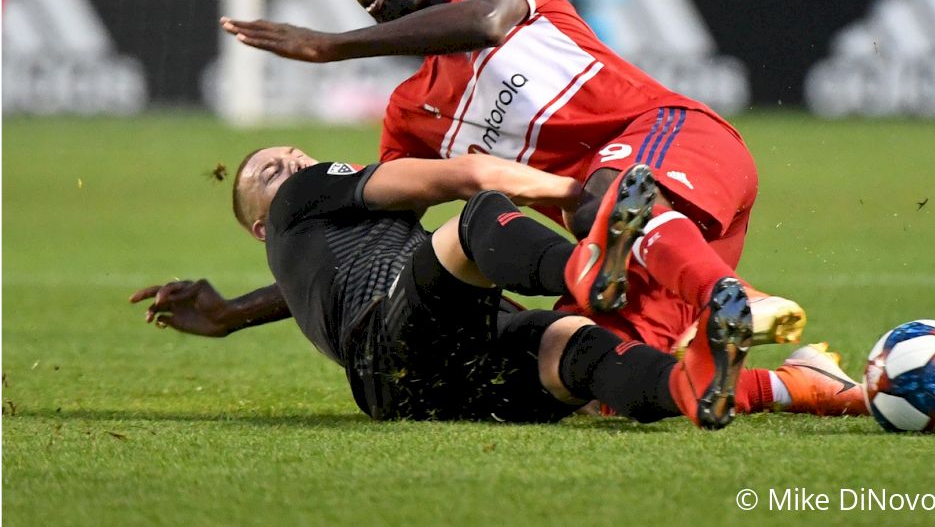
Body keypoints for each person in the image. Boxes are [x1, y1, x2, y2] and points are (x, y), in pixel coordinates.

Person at [218, 0, 865, 417]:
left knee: (601, 195)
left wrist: (330, 47)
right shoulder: (413, 113)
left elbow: (487, 21)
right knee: (597, 379)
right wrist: (234, 313)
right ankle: (804, 386)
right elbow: (380, 251)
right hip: (633, 242)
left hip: (675, 140)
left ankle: (729, 296)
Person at [132, 148, 754, 429]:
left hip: (417, 387)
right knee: (476, 215)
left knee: (566, 344)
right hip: (388, 337)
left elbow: (293, 294)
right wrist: (584, 198)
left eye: (296, 156)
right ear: (261, 225)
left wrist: (226, 316)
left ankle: (686, 387)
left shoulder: (309, 257)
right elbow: (470, 175)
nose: (294, 167)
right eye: (273, 171)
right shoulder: (305, 197)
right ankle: (584, 269)